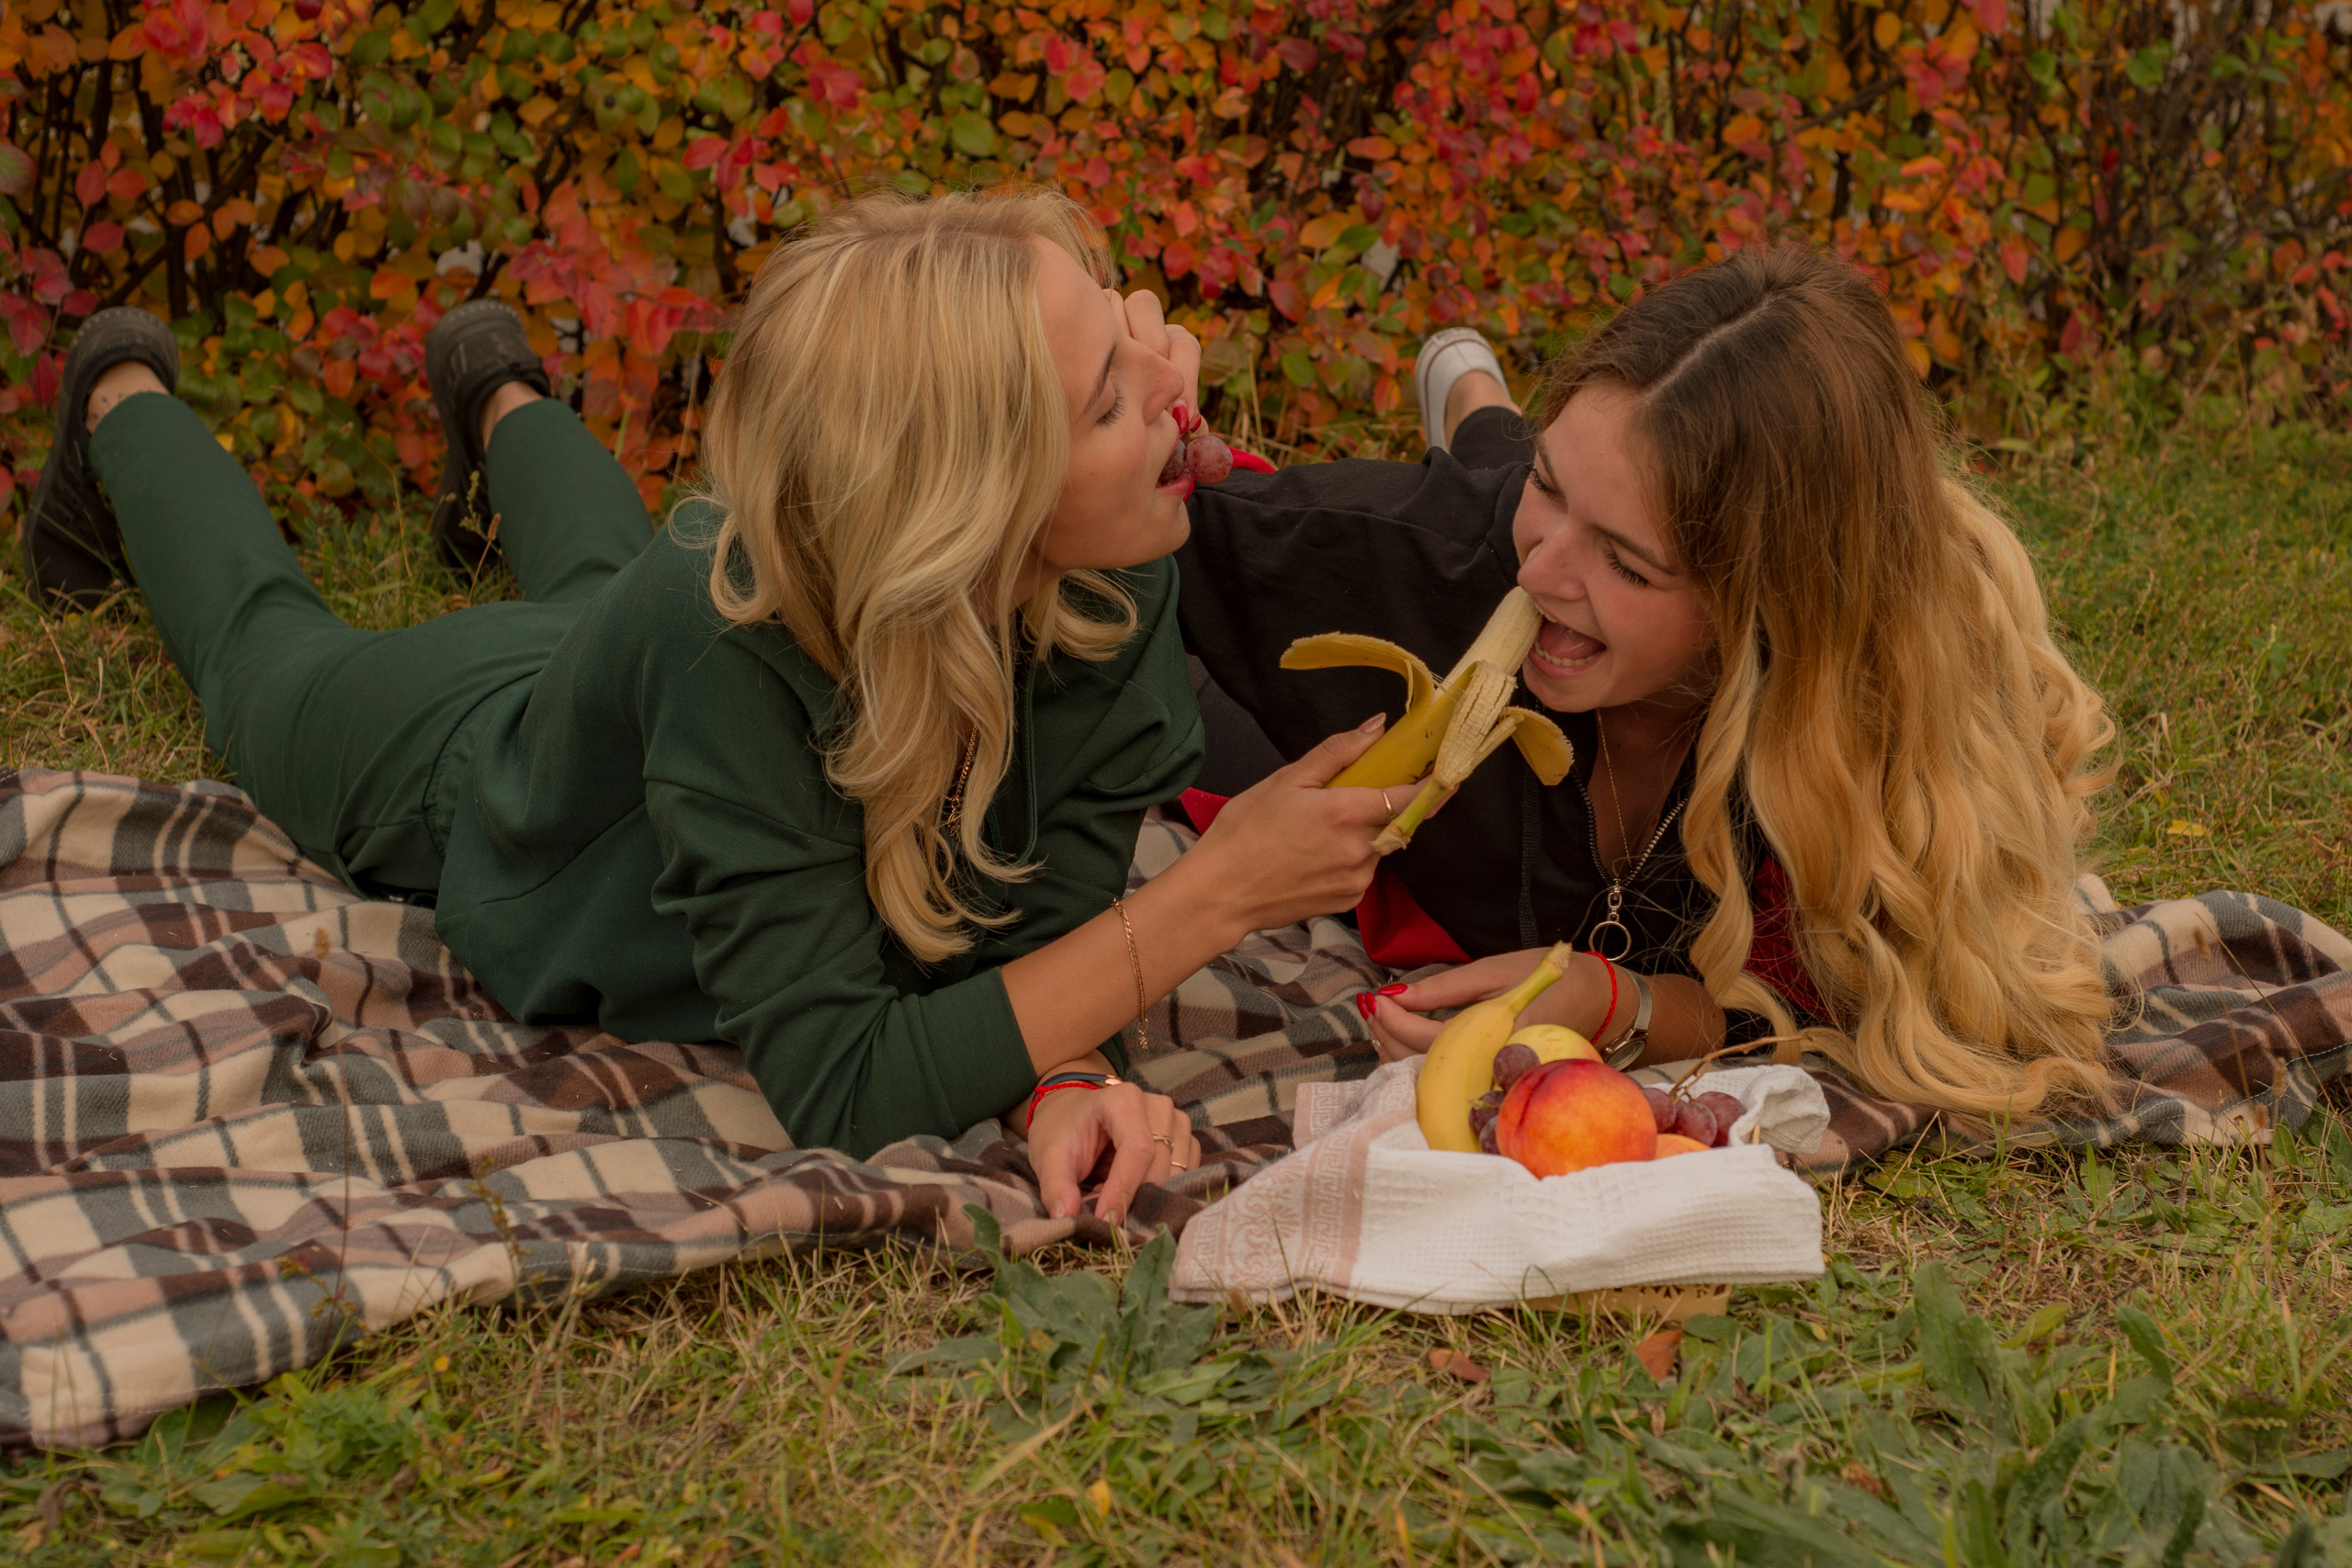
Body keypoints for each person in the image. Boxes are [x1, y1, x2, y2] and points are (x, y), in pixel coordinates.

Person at [17, 188, 1401, 1220]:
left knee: (607, 575)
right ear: (971, 513)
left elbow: (1047, 930)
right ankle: (118, 394)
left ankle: (497, 387)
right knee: (264, 662)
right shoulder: (722, 640)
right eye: (1108, 397)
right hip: (470, 750)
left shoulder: (1112, 569)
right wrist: (1214, 894)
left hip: (650, 646)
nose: (1179, 374)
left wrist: (1064, 1079)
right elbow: (846, 1082)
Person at [1164, 247, 2120, 1116]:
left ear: (1764, 610)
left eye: (1628, 562)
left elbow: (1835, 1000)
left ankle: (1493, 416)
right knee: (1486, 505)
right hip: (1453, 563)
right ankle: (1481, 406)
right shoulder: (1427, 546)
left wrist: (1620, 1002)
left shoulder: (1860, 717)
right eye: (1551, 482)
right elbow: (1139, 539)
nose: (1538, 573)